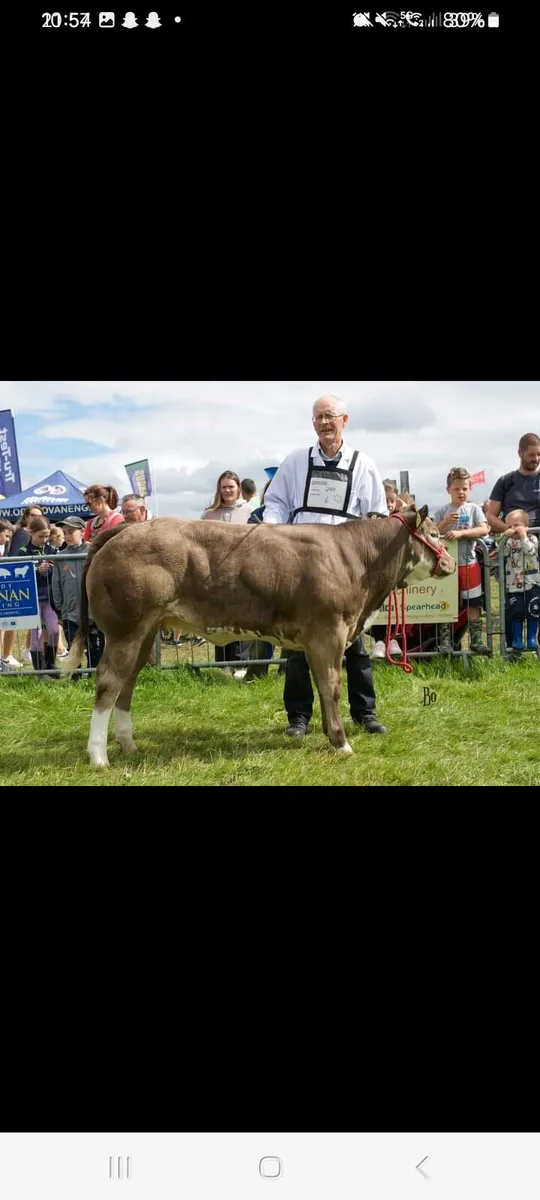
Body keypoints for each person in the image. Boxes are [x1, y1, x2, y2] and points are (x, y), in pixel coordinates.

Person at [263, 393, 389, 737]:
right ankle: (298, 718)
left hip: (347, 564)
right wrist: (273, 532)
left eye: (329, 416)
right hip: (301, 562)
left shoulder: (364, 463)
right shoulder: (295, 461)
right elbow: (274, 502)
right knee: (297, 643)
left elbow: (377, 513)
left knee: (356, 642)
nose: (323, 422)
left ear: (344, 420)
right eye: (318, 417)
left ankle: (365, 712)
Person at [485, 433, 540, 650]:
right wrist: (511, 530)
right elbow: (491, 515)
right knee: (512, 600)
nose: (536, 458)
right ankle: (511, 648)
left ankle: (536, 646)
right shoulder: (506, 481)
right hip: (512, 551)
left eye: (539, 454)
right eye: (531, 454)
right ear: (520, 453)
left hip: (536, 546)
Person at [434, 466, 490, 654]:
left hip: (469, 564)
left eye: (465, 488)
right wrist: (444, 523)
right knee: (447, 603)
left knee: (474, 603)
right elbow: (432, 533)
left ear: (470, 489)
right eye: (457, 488)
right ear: (448, 489)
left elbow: (484, 529)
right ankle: (445, 642)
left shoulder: (474, 509)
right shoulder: (442, 511)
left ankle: (476, 640)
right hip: (447, 567)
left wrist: (461, 533)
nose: (461, 492)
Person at [201, 471, 251, 670]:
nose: (227, 490)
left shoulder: (250, 512)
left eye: (231, 486)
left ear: (238, 488)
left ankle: (241, 663)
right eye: (224, 487)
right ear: (219, 489)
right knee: (220, 617)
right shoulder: (208, 514)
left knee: (243, 616)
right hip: (217, 573)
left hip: (243, 573)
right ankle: (222, 664)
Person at [1, 505, 46, 668]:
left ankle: (23, 651)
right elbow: (15, 557)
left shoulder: (29, 534)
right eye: (33, 515)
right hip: (15, 581)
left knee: (27, 619)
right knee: (12, 619)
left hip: (25, 580)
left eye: (39, 515)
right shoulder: (22, 534)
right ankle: (6, 655)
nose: (36, 518)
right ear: (26, 516)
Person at [18, 516, 61, 678]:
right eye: (40, 536)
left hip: (49, 598)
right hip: (32, 599)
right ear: (31, 533)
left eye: (46, 536)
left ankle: (50, 664)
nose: (44, 540)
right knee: (35, 634)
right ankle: (40, 671)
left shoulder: (52, 550)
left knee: (54, 630)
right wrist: (37, 570)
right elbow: (20, 575)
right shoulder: (24, 551)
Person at [370, 481, 405, 659]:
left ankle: (393, 639)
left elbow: (413, 516)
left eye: (392, 501)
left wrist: (403, 505)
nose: (389, 505)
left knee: (394, 606)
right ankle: (379, 641)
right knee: (378, 606)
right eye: (385, 501)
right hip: (377, 571)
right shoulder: (372, 519)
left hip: (395, 570)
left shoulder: (399, 518)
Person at [501, 509, 540, 651]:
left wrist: (523, 536)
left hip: (532, 583)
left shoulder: (532, 539)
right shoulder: (508, 541)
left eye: (515, 525)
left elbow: (530, 551)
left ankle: (531, 638)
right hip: (513, 584)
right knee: (516, 613)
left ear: (525, 526)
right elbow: (501, 552)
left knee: (533, 611)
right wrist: (503, 538)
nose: (512, 529)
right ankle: (517, 640)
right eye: (509, 526)